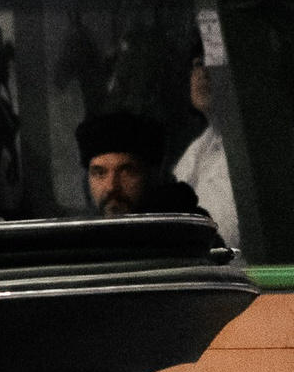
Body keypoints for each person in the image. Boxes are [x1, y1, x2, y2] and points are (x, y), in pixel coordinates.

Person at [169, 51, 241, 251]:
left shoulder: (257, 145)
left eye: (211, 62)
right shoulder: (202, 145)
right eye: (196, 64)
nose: (201, 73)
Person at [77, 112, 206, 219]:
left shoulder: (191, 234)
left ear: (155, 174)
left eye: (127, 172)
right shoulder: (84, 242)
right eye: (100, 173)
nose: (111, 187)